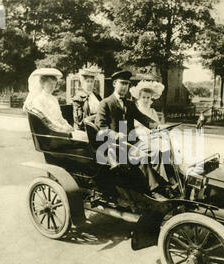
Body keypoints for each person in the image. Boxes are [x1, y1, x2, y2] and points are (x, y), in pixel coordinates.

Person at [95, 71, 173, 199]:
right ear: (115, 83)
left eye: (127, 84)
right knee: (142, 157)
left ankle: (165, 185)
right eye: (122, 83)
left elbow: (143, 118)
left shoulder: (129, 104)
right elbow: (101, 127)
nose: (125, 87)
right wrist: (114, 135)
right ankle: (154, 191)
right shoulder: (106, 103)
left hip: (132, 141)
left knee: (157, 153)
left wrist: (158, 126)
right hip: (115, 145)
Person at [23, 68, 87, 140]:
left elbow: (60, 117)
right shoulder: (38, 100)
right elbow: (47, 120)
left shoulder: (54, 99)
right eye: (49, 84)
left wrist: (67, 125)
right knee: (83, 138)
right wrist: (63, 128)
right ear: (42, 84)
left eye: (54, 84)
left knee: (85, 136)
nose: (52, 87)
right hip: (51, 133)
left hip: (60, 130)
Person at [72, 65, 103, 130]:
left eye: (92, 81)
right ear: (83, 82)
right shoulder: (78, 98)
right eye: (87, 81)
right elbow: (79, 121)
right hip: (87, 129)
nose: (90, 84)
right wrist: (97, 116)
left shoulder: (96, 95)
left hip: (99, 124)